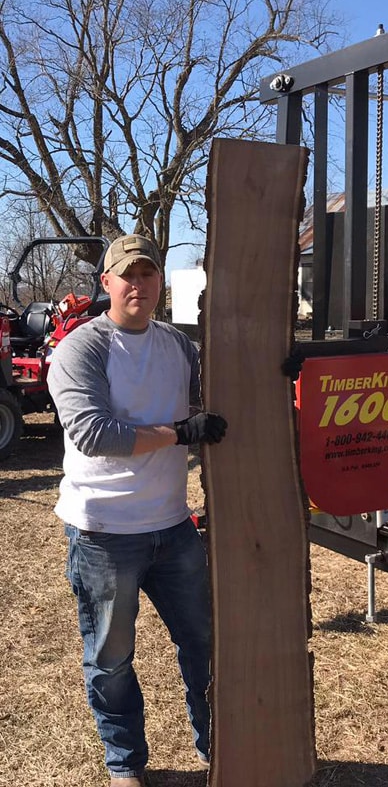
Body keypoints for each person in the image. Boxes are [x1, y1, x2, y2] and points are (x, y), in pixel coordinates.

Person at [47, 233, 227, 786]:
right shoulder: (83, 348)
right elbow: (94, 433)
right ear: (106, 283)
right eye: (128, 274)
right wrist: (180, 433)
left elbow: (225, 390)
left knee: (205, 643)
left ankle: (217, 748)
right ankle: (125, 764)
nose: (139, 285)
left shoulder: (178, 345)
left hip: (173, 528)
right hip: (106, 534)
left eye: (148, 274)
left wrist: (279, 368)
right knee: (112, 660)